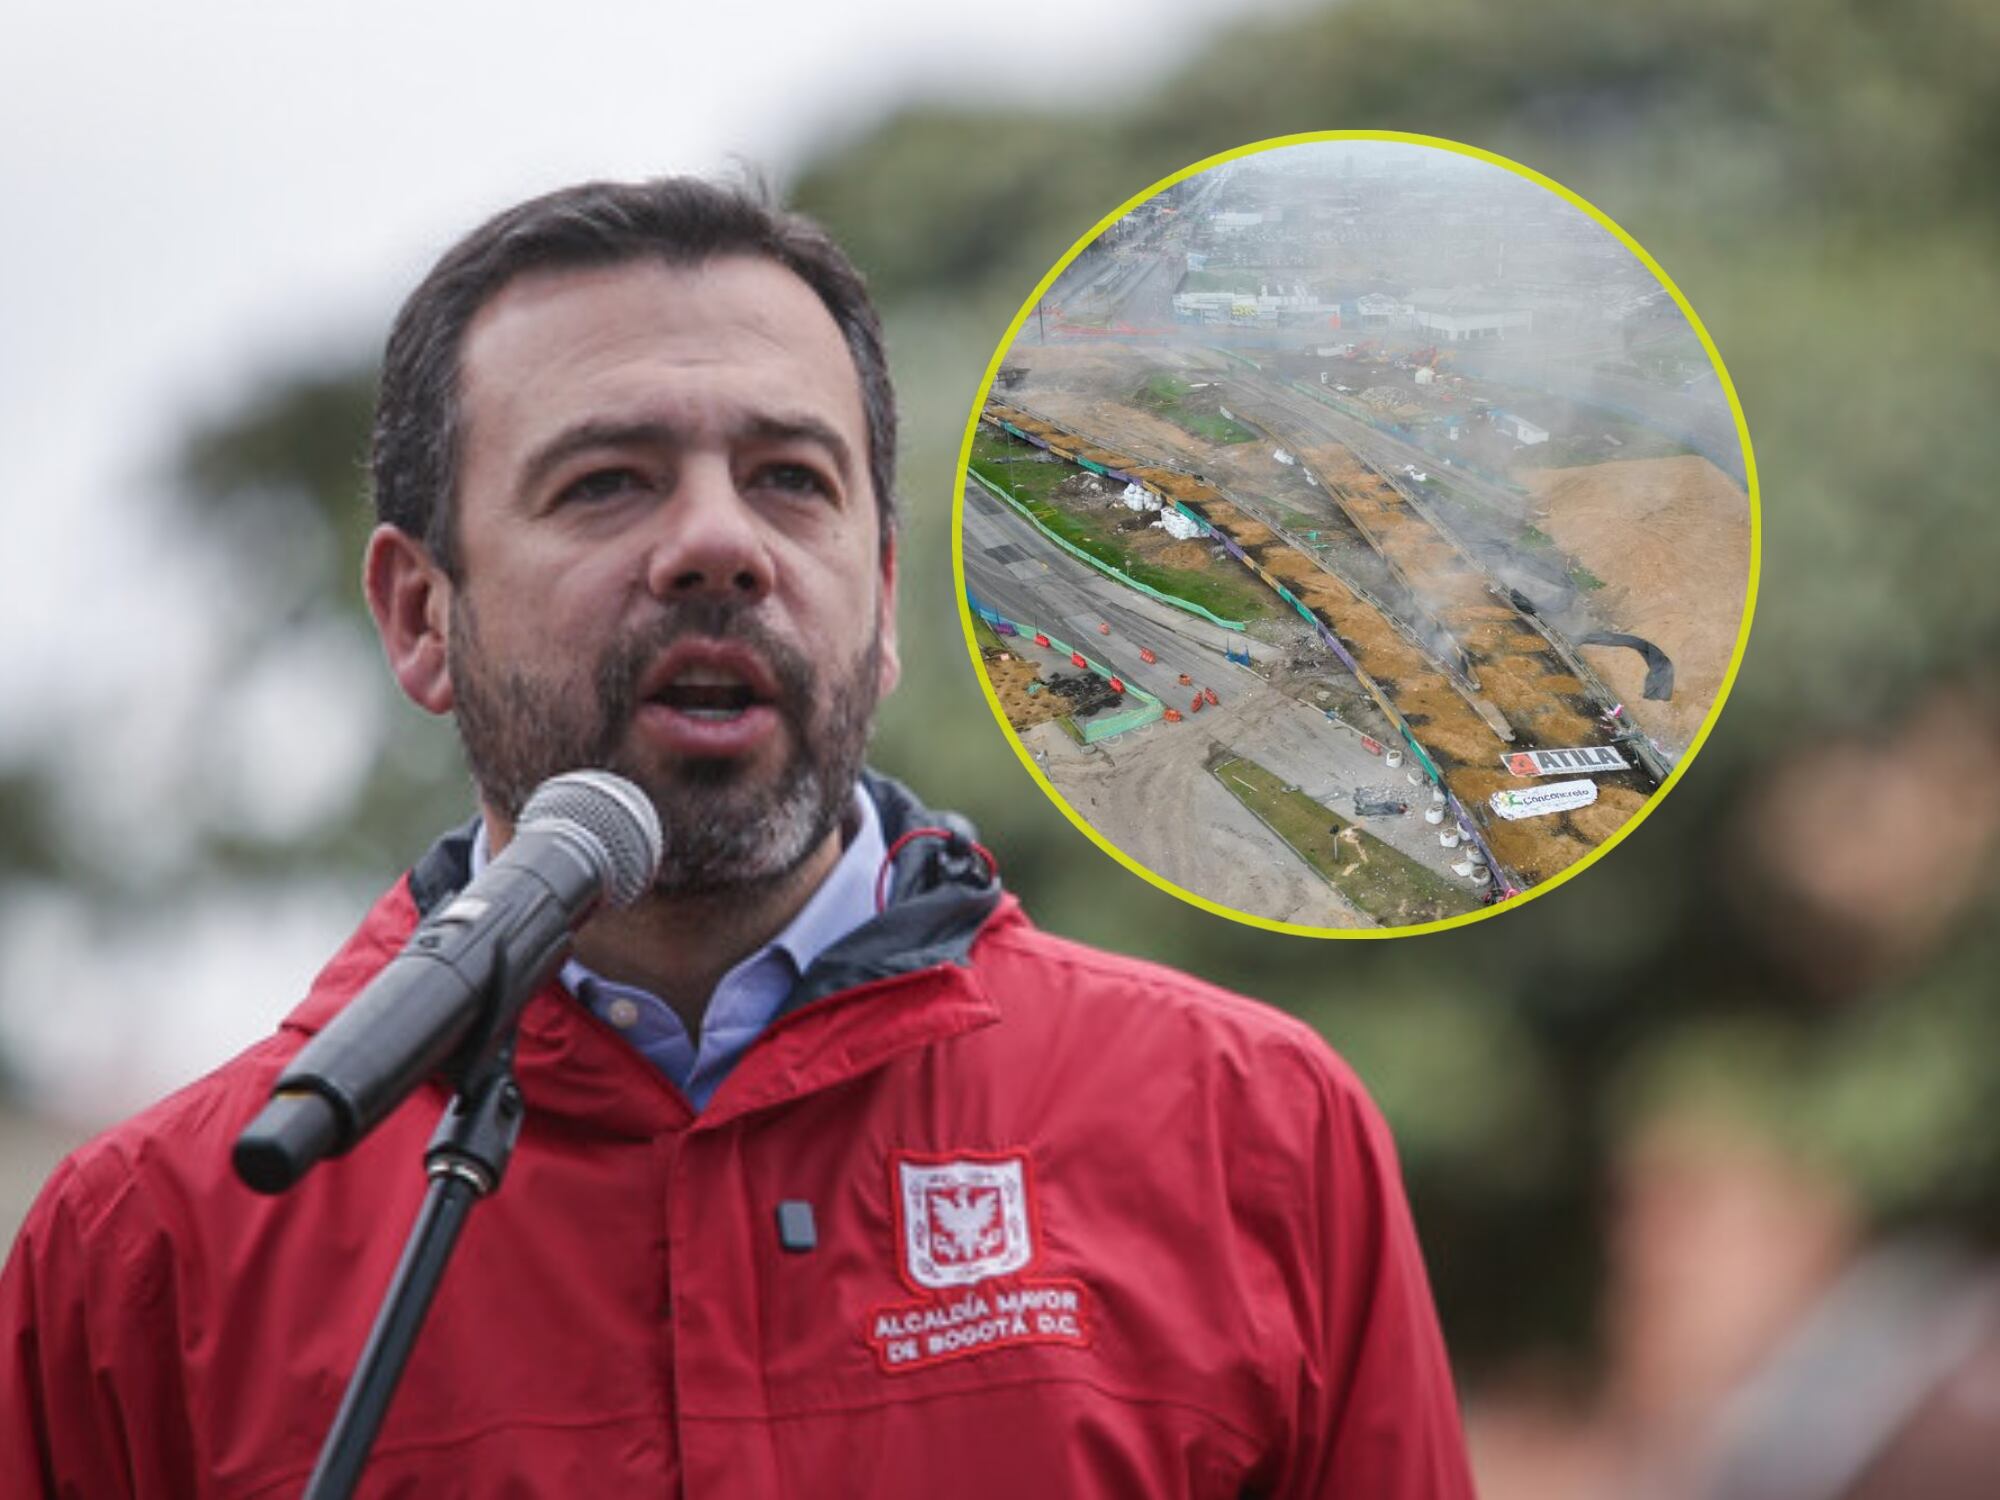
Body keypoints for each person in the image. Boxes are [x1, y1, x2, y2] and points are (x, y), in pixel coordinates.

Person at [0, 177, 1476, 1498]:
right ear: (419, 615)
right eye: (606, 482)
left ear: (884, 599)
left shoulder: (1252, 1135)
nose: (719, 543)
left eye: (790, 478)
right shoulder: (152, 1250)